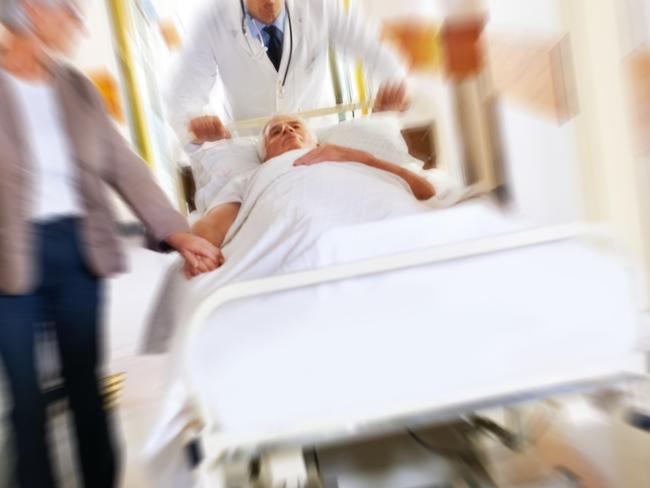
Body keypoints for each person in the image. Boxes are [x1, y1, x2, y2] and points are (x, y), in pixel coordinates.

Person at [0, 1, 221, 486]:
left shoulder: (75, 86)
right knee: (26, 396)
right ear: (32, 10)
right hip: (9, 255)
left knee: (85, 387)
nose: (78, 24)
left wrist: (175, 230)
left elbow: (123, 164)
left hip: (80, 248)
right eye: (69, 12)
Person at [167, 0, 410, 148]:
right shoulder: (212, 21)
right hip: (256, 150)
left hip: (315, 139)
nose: (270, 3)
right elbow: (183, 96)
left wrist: (394, 87)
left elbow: (375, 51)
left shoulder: (319, 7)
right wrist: (196, 125)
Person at [191, 114, 435, 255]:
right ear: (265, 157)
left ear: (316, 143)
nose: (286, 130)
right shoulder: (254, 177)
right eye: (275, 133)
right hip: (303, 235)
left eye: (295, 126)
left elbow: (425, 191)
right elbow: (212, 228)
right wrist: (198, 254)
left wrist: (357, 157)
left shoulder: (351, 157)